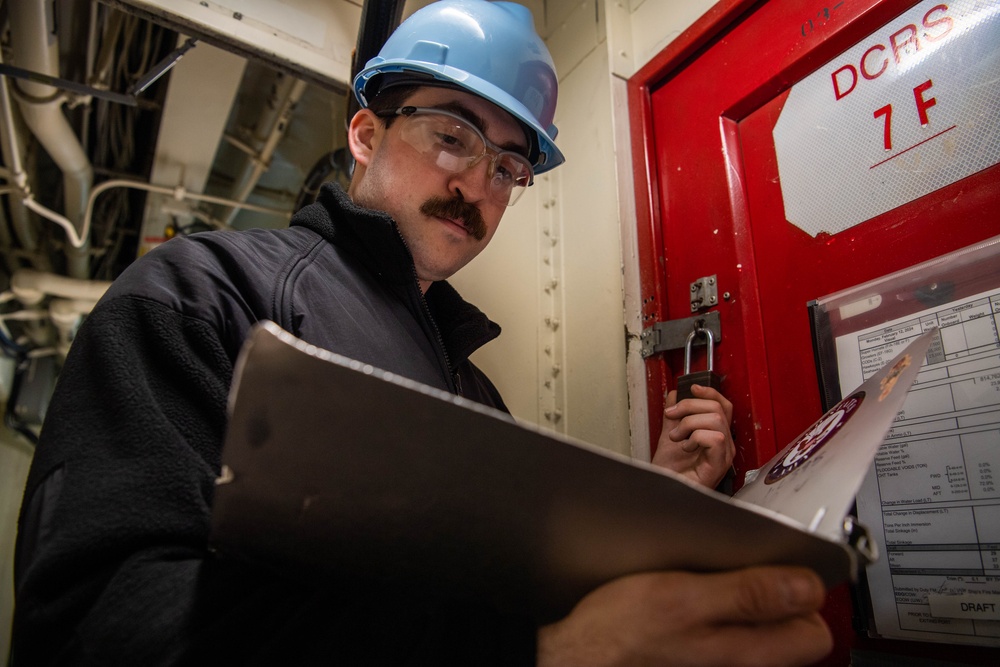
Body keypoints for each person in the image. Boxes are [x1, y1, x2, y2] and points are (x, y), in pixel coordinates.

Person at [12, 1, 832, 665]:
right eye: (452, 135)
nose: (478, 183)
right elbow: (99, 622)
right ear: (365, 135)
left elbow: (496, 595)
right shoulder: (204, 291)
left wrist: (662, 506)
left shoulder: (474, 389)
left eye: (510, 167)